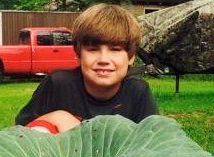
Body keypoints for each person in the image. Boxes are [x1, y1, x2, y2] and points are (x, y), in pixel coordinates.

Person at [15, 3, 158, 134]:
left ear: (131, 57)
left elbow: (154, 142)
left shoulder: (138, 91)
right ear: (78, 55)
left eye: (115, 49)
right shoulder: (58, 84)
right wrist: (58, 117)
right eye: (93, 49)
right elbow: (21, 132)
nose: (103, 59)